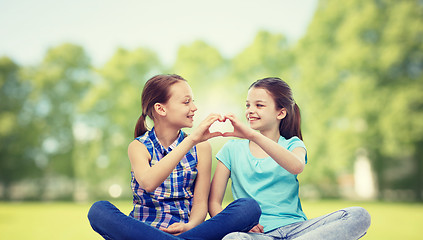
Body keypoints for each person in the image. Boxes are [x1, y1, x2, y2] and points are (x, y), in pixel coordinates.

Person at [88, 74, 261, 240]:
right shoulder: (139, 147)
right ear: (160, 109)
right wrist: (191, 140)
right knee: (99, 210)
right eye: (186, 102)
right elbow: (148, 183)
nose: (194, 108)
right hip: (143, 230)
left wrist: (190, 226)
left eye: (193, 101)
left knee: (248, 208)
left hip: (187, 230)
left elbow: (200, 203)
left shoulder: (201, 148)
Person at [208, 77, 371, 240]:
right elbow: (214, 203)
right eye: (248, 105)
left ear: (281, 112)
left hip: (298, 230)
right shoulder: (231, 149)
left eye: (259, 105)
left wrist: (252, 136)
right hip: (258, 236)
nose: (250, 110)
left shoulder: (293, 144)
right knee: (233, 238)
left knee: (359, 215)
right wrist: (239, 225)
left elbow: (296, 166)